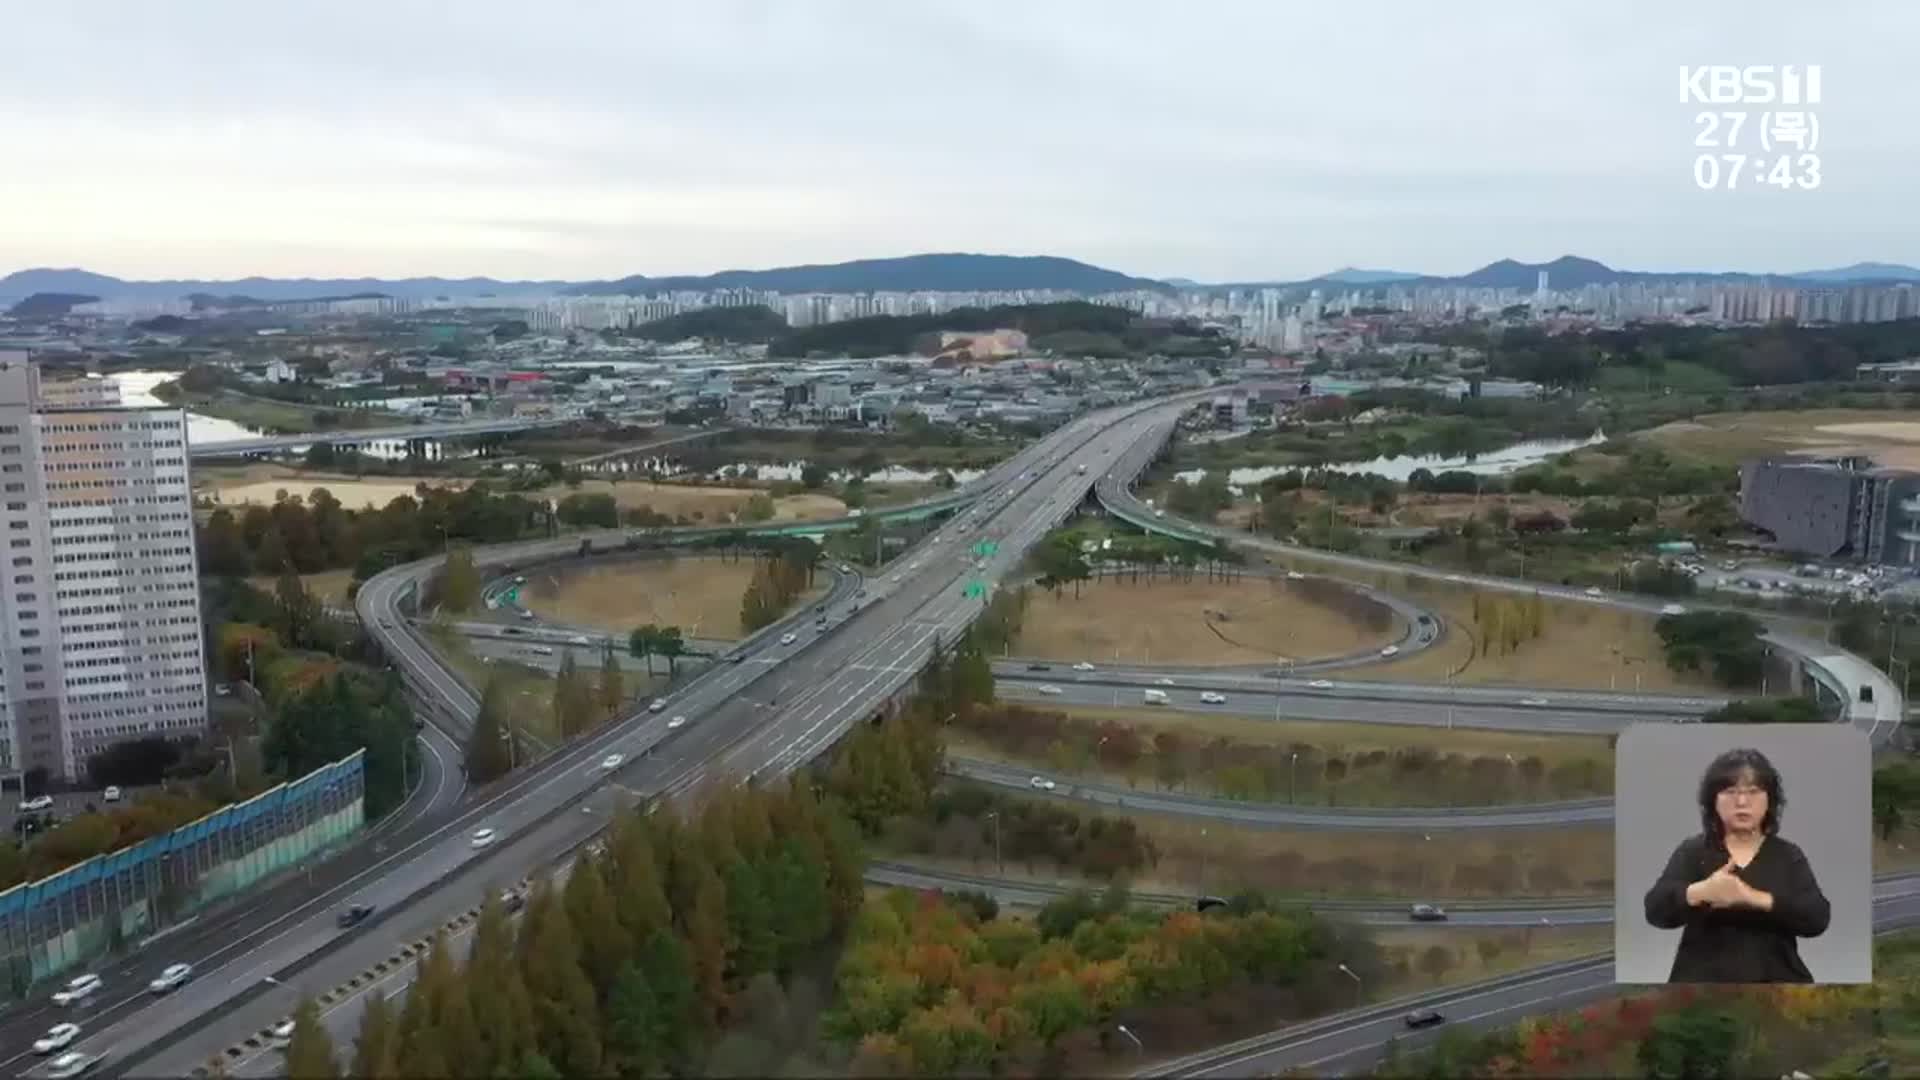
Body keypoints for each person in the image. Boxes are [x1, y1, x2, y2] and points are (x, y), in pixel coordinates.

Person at [1642, 746, 1830, 983]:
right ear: (1713, 801)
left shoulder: (1787, 855)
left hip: (1777, 987)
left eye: (1753, 791)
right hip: (1701, 988)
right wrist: (1700, 892)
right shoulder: (1693, 851)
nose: (1741, 801)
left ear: (1769, 800)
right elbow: (1655, 910)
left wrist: (1753, 898)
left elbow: (1817, 918)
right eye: (1730, 791)